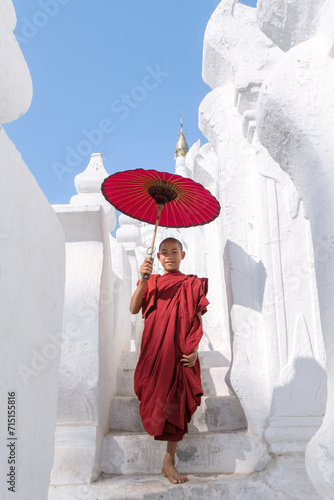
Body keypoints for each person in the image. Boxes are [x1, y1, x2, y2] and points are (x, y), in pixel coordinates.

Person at [129, 237, 209, 484]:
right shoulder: (151, 281)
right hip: (155, 349)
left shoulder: (192, 284)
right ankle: (167, 462)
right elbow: (134, 308)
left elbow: (197, 318)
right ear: (158, 257)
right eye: (164, 252)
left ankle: (168, 461)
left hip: (179, 351)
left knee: (176, 402)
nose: (169, 256)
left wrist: (194, 348)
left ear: (182, 255)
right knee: (157, 399)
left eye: (174, 251)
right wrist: (143, 279)